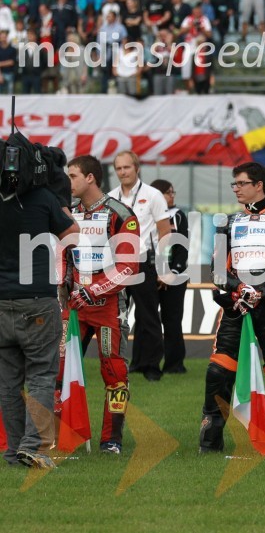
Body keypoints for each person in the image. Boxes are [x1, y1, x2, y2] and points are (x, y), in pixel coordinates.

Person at [200, 162, 265, 454]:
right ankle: (209, 444)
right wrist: (239, 289)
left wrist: (264, 292)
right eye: (234, 184)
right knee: (219, 370)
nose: (235, 189)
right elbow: (217, 272)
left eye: (241, 183)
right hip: (236, 305)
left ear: (259, 185)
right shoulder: (228, 222)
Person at [0, 151, 77, 468]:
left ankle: (13, 450)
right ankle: (34, 446)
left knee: (8, 383)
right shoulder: (44, 198)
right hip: (38, 300)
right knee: (43, 377)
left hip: (2, 301)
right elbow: (72, 234)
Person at [61, 155, 140, 455]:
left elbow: (128, 267)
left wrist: (93, 291)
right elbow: (64, 259)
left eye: (73, 176)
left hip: (109, 306)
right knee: (60, 369)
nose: (68, 182)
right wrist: (64, 291)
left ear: (90, 178)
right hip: (74, 306)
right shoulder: (68, 214)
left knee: (114, 372)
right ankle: (64, 436)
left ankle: (111, 441)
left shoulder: (120, 213)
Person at [108, 150, 171, 381]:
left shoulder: (153, 195)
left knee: (148, 317)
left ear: (137, 168)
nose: (123, 172)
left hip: (143, 262)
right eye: (119, 168)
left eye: (127, 167)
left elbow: (165, 232)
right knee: (117, 317)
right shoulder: (110, 196)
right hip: (116, 263)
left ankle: (152, 366)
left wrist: (164, 268)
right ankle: (124, 365)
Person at [150, 179, 189, 374]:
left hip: (174, 276)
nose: (172, 196)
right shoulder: (146, 215)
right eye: (168, 192)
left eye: (173, 192)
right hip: (150, 274)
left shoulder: (178, 215)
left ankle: (175, 364)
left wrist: (171, 273)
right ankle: (147, 363)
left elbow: (182, 248)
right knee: (148, 320)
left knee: (172, 320)